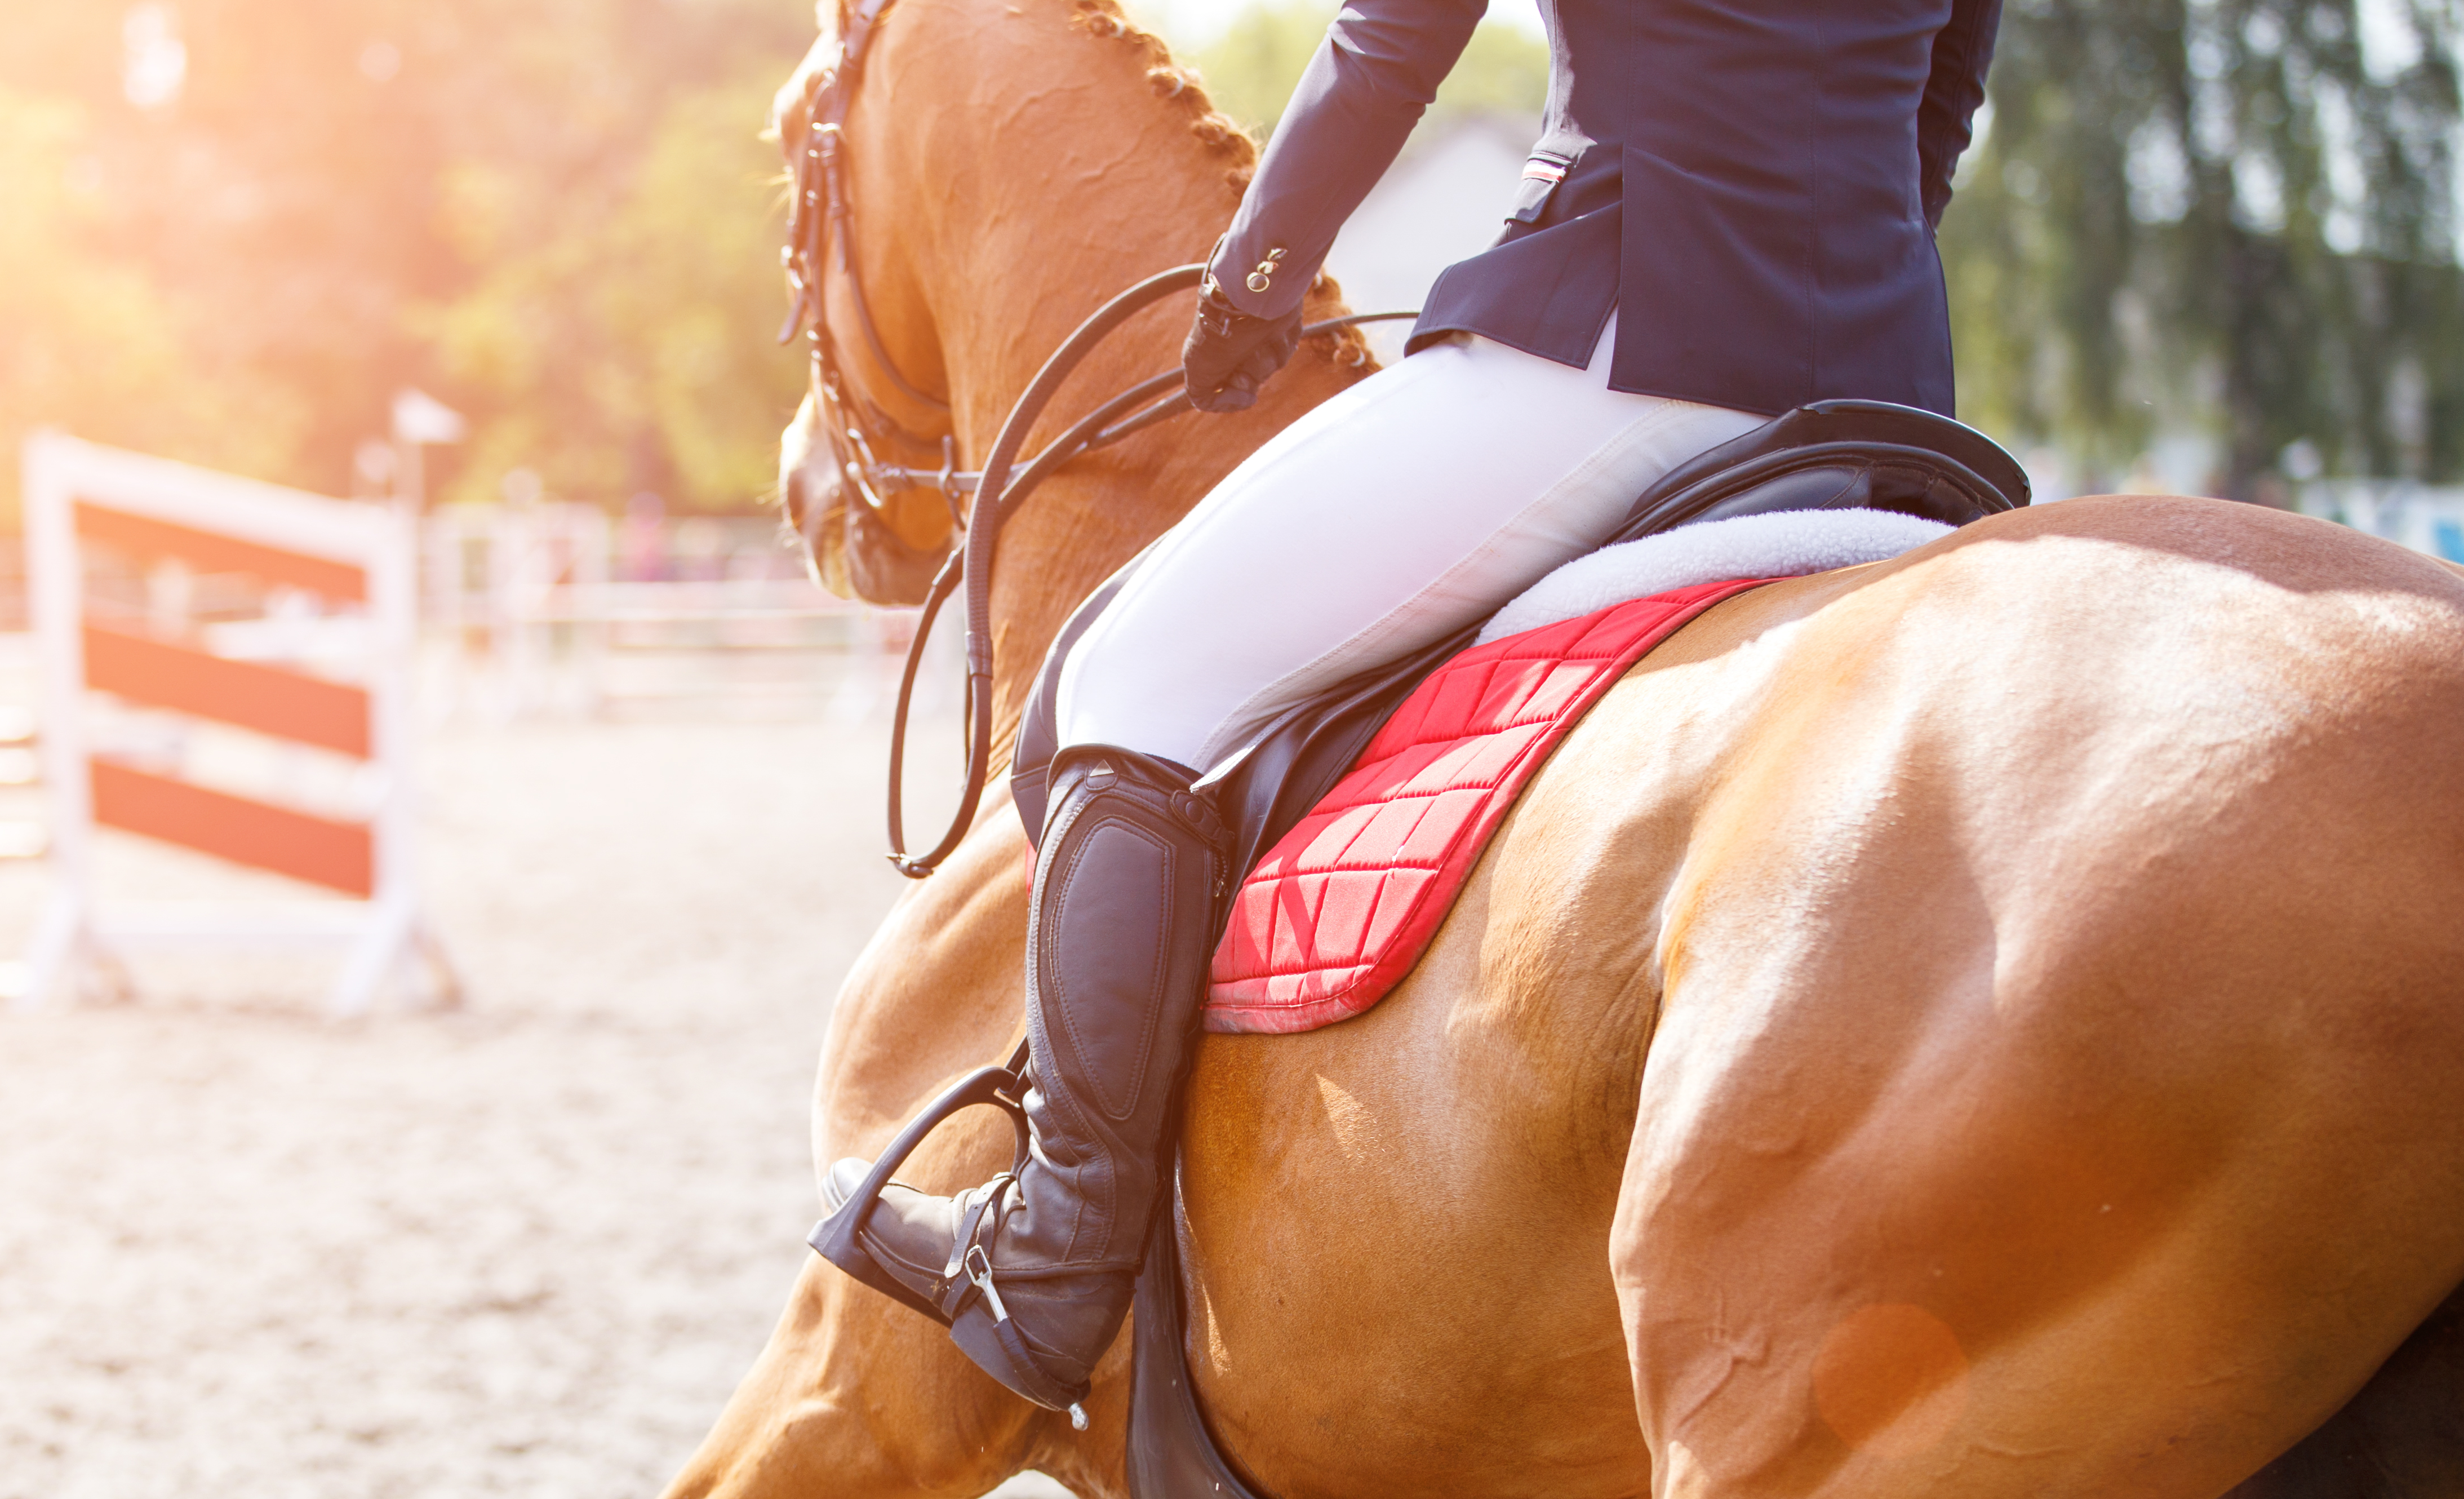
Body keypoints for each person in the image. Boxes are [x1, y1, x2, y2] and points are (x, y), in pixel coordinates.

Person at [821, 0, 2003, 1413]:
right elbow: (1942, 104)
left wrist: (1254, 284)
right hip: (1883, 388)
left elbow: (1389, 43)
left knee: (1127, 683)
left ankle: (1056, 1247)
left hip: (1614, 346)